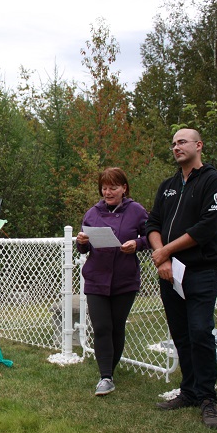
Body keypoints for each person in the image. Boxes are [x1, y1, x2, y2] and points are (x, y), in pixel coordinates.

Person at [146, 128, 217, 429]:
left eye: (182, 142)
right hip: (169, 273)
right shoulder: (168, 186)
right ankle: (190, 392)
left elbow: (208, 226)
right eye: (173, 143)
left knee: (200, 332)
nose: (176, 147)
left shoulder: (213, 181)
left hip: (201, 271)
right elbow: (153, 224)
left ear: (199, 145)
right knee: (181, 334)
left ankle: (207, 398)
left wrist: (165, 251)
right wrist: (164, 258)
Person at [75, 167, 149, 397]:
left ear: (124, 188)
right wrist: (81, 242)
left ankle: (110, 371)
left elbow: (152, 236)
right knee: (101, 327)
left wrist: (137, 244)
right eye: (104, 188)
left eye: (113, 188)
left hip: (124, 279)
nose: (107, 192)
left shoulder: (137, 211)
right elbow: (83, 248)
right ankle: (105, 376)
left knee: (117, 326)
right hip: (96, 278)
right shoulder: (92, 213)